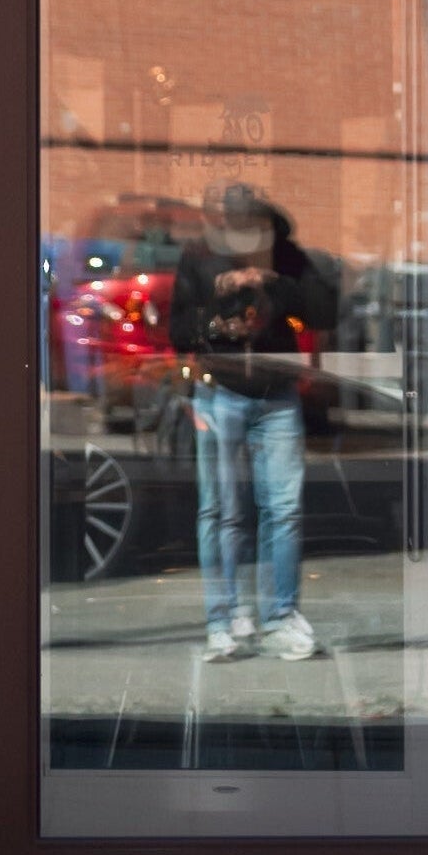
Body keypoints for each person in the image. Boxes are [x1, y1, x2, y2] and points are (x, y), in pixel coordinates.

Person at [167, 180, 325, 662]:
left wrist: (270, 281)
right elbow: (179, 329)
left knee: (284, 509)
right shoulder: (198, 256)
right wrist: (218, 321)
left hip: (275, 391)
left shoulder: (288, 257)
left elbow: (322, 307)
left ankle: (280, 615)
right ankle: (224, 618)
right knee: (222, 511)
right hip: (221, 391)